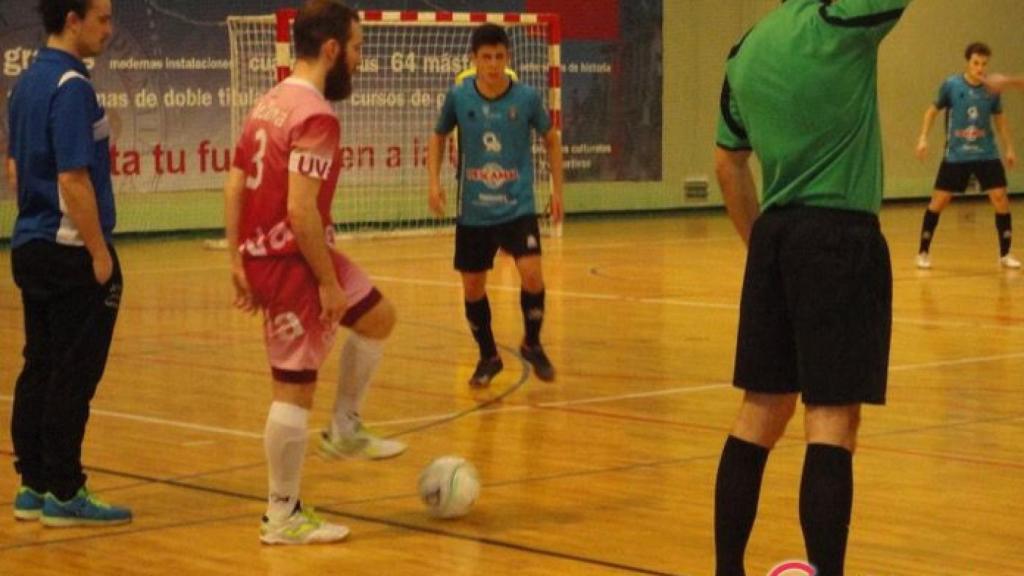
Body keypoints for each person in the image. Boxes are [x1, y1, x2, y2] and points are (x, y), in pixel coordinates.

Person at [713, 1, 909, 574]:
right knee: (832, 420)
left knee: (759, 413)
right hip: (840, 237)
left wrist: (765, 251)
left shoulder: (745, 52)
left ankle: (727, 570)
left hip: (774, 237)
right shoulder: (841, 19)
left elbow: (729, 166)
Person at [224, 0, 405, 545]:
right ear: (331, 50)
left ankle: (345, 427)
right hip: (292, 261)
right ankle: (282, 515)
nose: (358, 60)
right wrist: (326, 282)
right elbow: (301, 211)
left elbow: (235, 181)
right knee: (293, 389)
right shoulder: (316, 116)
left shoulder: (272, 100)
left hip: (279, 251)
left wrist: (235, 256)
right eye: (355, 49)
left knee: (378, 318)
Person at [7, 0, 131, 527]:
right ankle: (65, 488)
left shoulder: (27, 81)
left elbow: (17, 169)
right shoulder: (71, 86)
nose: (109, 28)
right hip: (70, 247)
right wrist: (100, 252)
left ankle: (33, 483)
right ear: (72, 20)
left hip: (31, 243)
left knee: (39, 363)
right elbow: (73, 178)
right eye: (101, 18)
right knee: (72, 372)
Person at [427, 23, 564, 388]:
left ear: (508, 58)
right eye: (485, 57)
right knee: (473, 287)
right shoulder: (458, 97)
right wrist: (434, 183)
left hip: (516, 205)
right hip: (474, 211)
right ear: (474, 60)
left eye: (499, 57)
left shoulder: (527, 98)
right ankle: (488, 355)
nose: (492, 64)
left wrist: (557, 191)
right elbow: (438, 137)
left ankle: (532, 342)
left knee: (532, 273)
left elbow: (551, 140)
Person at [914, 42, 1019, 269]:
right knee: (939, 201)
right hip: (957, 154)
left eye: (984, 64)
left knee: (1000, 198)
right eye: (976, 63)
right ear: (968, 62)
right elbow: (932, 111)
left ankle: (1005, 254)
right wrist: (923, 137)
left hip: (986, 153)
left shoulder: (991, 89)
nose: (980, 68)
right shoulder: (951, 85)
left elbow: (1000, 121)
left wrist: (1009, 148)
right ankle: (923, 252)